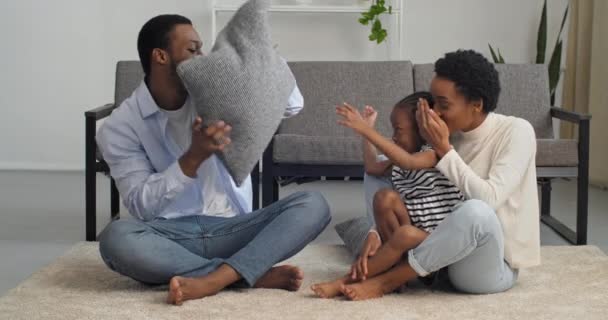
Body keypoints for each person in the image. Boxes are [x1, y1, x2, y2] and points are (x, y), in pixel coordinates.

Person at [96, 14, 331, 305]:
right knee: (115, 238)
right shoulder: (119, 126)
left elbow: (292, 105)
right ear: (160, 56)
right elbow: (142, 206)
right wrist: (193, 157)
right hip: (171, 236)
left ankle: (215, 279)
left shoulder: (218, 92)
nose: (202, 57)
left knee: (313, 204)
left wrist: (264, 57)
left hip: (233, 227)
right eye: (192, 50)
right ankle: (247, 273)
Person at [331, 49, 540, 301]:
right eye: (432, 103)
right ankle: (390, 256)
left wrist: (444, 149)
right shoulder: (444, 134)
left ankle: (387, 281)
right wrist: (375, 231)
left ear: (476, 105)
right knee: (381, 174)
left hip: (486, 266)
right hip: (438, 257)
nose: (434, 113)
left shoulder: (516, 131)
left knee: (476, 210)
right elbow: (400, 171)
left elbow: (489, 200)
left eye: (444, 105)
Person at [311, 92, 464, 298]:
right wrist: (367, 133)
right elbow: (373, 167)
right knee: (384, 198)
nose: (393, 137)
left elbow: (408, 162)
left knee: (405, 234)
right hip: (413, 239)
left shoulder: (435, 152)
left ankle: (346, 280)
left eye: (398, 130)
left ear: (421, 130)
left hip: (440, 242)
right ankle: (397, 270)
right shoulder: (398, 163)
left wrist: (364, 128)